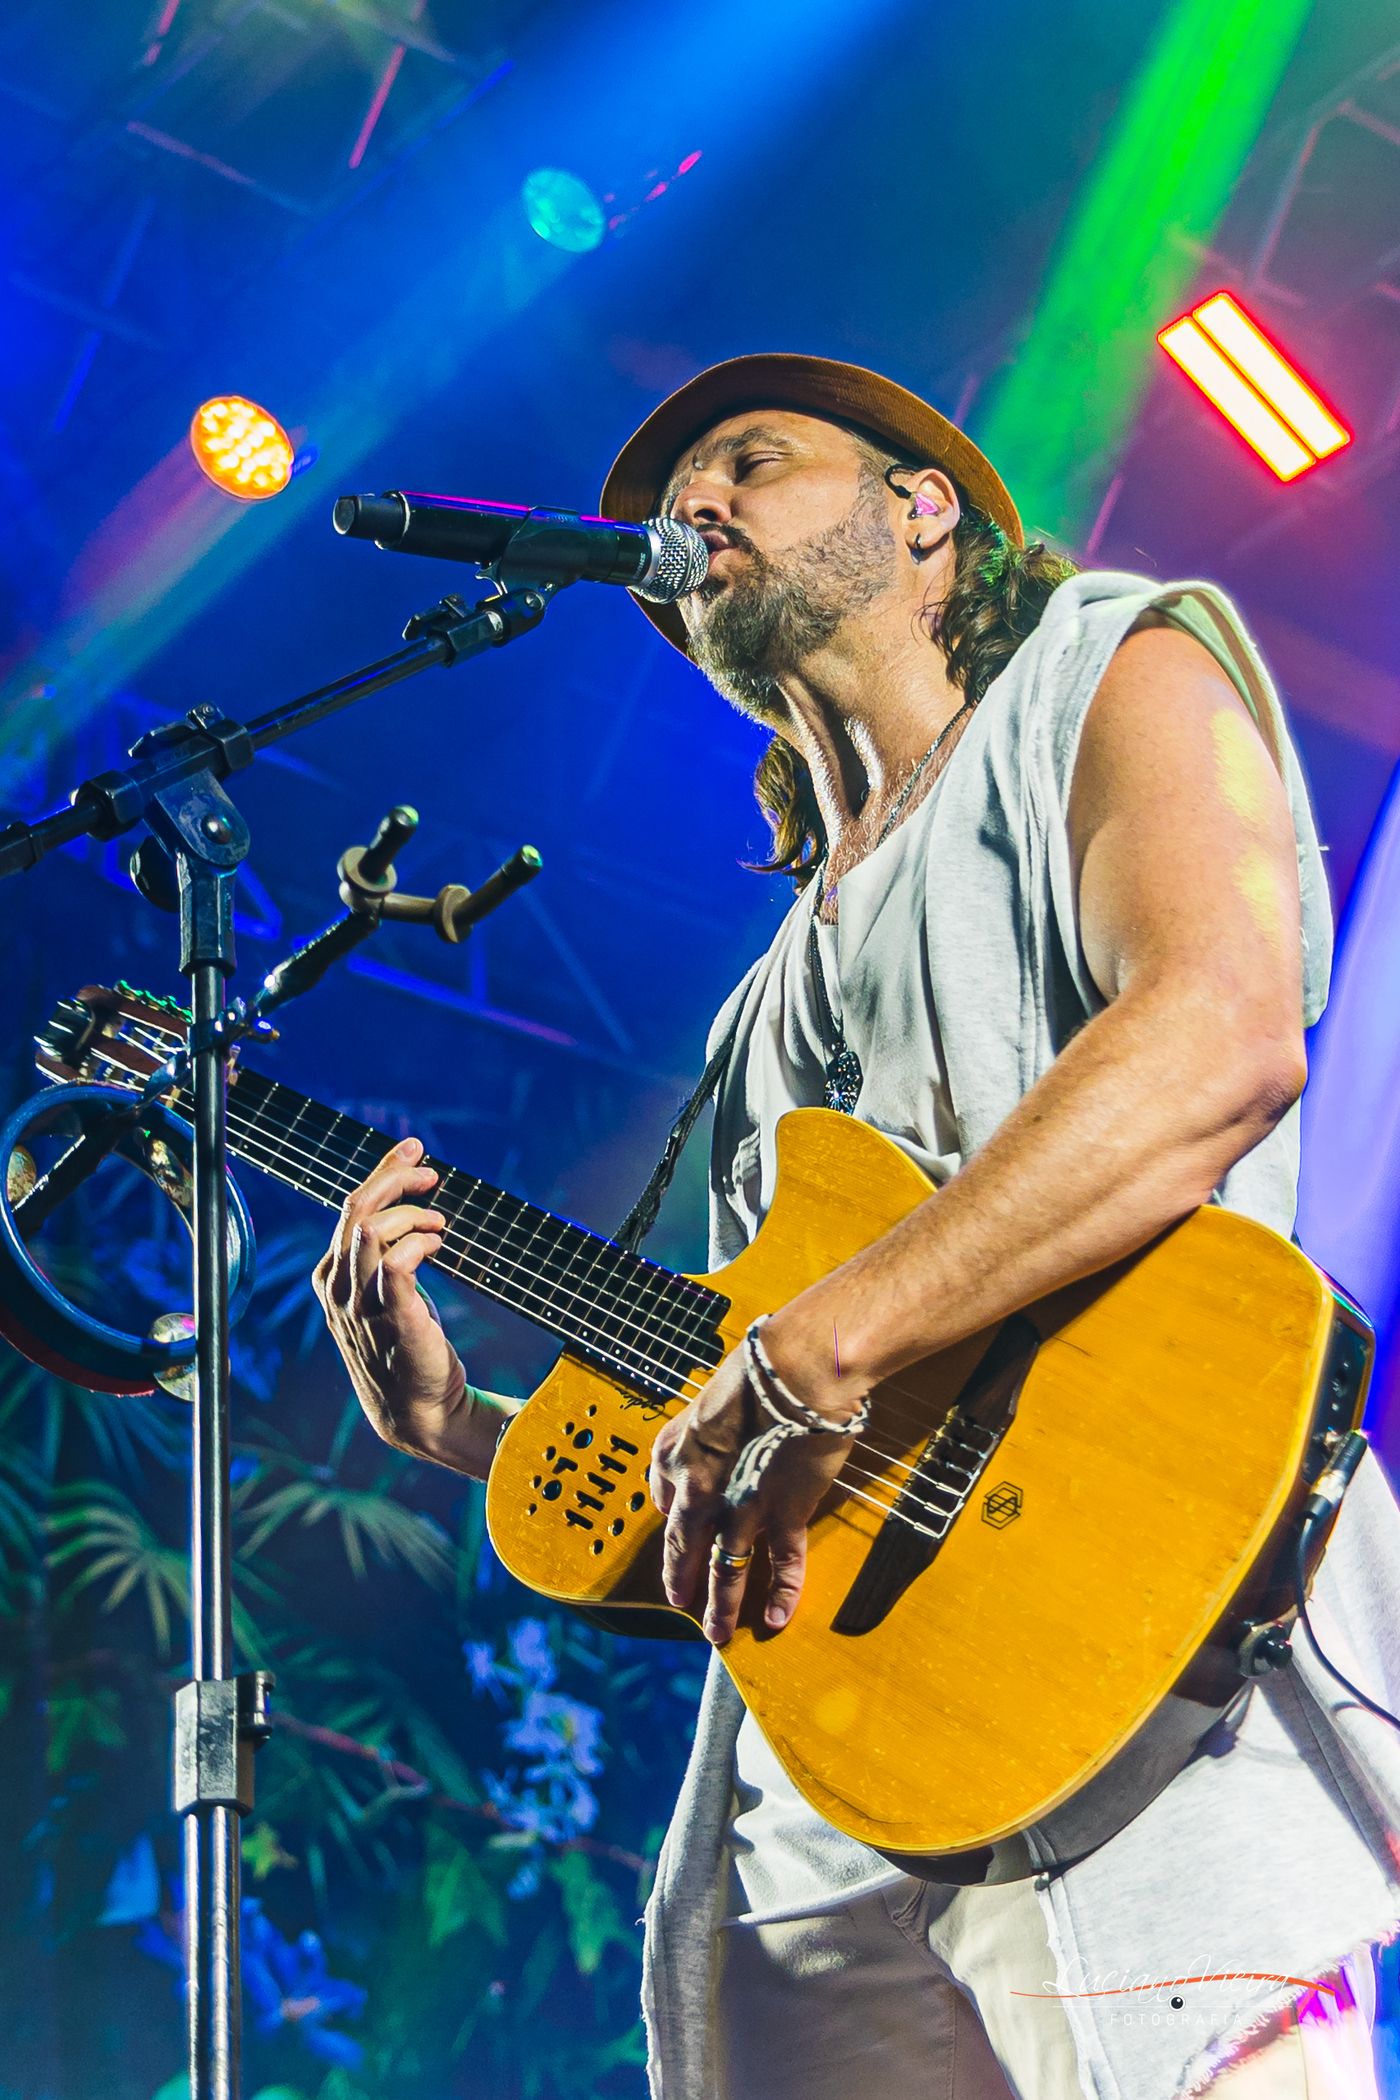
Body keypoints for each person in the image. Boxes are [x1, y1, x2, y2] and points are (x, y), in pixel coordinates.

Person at [314, 355, 1400, 2099]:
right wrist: (470, 1432)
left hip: (1134, 1648)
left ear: (924, 509)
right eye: (682, 499)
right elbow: (763, 1436)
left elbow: (1220, 1032)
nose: (698, 506)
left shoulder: (1105, 665)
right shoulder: (756, 1008)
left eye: (751, 461)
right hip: (834, 1758)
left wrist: (819, 1346)